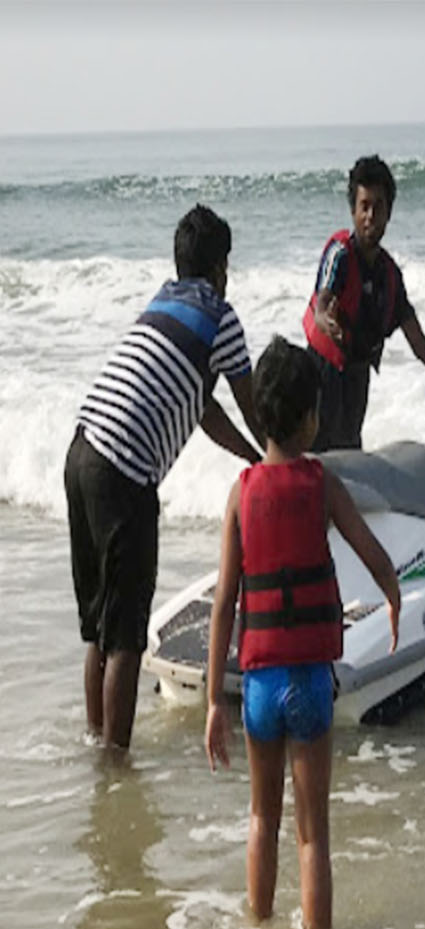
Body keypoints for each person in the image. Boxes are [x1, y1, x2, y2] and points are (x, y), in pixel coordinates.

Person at [204, 335, 401, 929]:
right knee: (313, 832)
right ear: (311, 419)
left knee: (262, 818)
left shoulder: (240, 495)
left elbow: (223, 603)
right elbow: (373, 554)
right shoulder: (322, 486)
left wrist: (215, 699)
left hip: (260, 685)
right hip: (311, 682)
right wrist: (394, 598)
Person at [64, 204, 265, 752]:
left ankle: (97, 745)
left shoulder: (164, 303)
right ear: (222, 266)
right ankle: (115, 768)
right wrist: (281, 455)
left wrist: (252, 457)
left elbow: (201, 407)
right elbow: (249, 404)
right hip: (124, 471)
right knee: (126, 637)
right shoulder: (220, 317)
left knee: (99, 629)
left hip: (81, 453)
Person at [303, 153, 425, 451]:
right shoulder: (340, 255)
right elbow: (323, 299)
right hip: (320, 377)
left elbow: (421, 347)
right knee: (314, 466)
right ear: (353, 212)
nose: (370, 216)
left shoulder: (390, 278)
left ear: (389, 213)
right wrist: (324, 320)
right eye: (364, 206)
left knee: (349, 461)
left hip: (356, 384)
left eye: (378, 207)